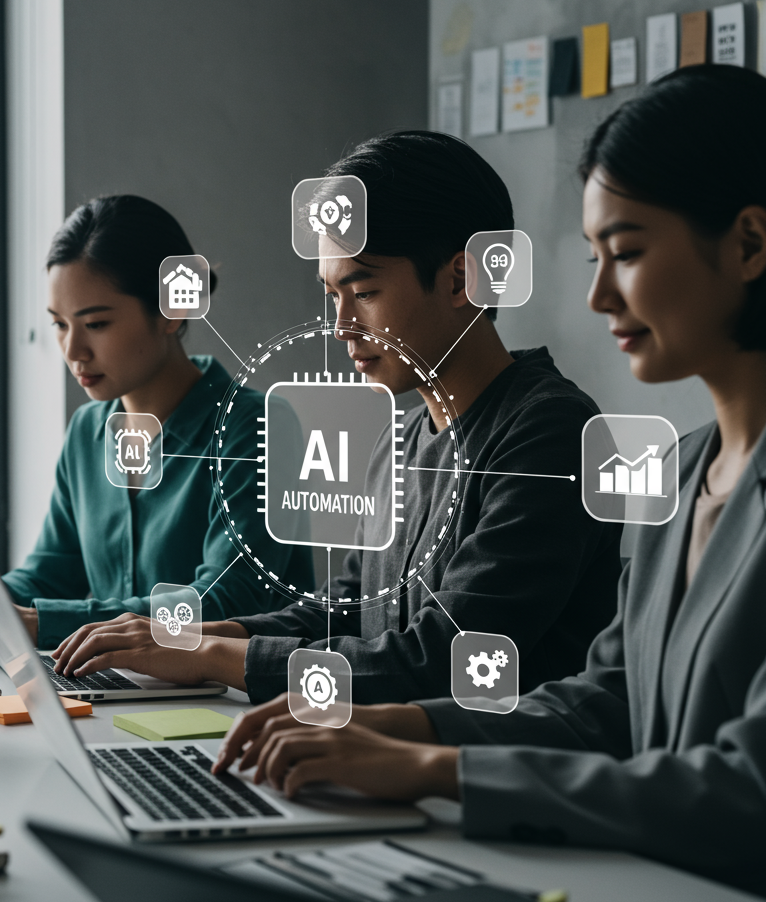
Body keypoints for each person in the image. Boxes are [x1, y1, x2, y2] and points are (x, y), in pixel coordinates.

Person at [214, 65, 766, 896]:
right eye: (592, 257)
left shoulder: (554, 432)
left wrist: (437, 768)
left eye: (627, 253)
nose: (596, 295)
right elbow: (603, 702)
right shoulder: (679, 470)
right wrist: (390, 727)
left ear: (750, 244)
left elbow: (742, 792)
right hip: (650, 890)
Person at [48, 131, 623, 703]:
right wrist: (201, 636)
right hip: (381, 765)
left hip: (477, 783)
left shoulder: (549, 435)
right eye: (332, 295)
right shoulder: (401, 433)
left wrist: (212, 655)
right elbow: (344, 610)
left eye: (363, 291)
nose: (341, 325)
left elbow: (440, 658)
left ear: (459, 279)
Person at [0, 195, 314, 647]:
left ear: (172, 311)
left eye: (96, 324)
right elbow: (49, 576)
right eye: (60, 324)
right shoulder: (88, 430)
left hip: (230, 705)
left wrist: (40, 623)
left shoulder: (256, 426)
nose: (72, 351)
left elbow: (224, 603)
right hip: (117, 694)